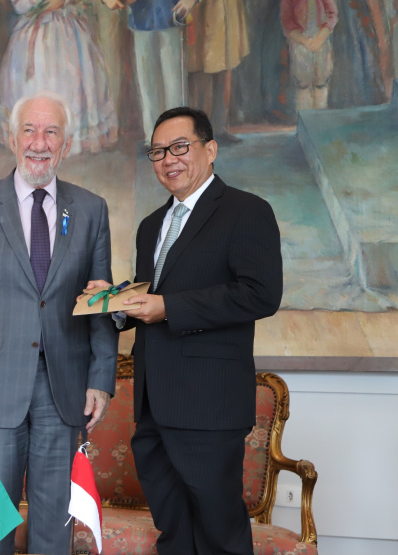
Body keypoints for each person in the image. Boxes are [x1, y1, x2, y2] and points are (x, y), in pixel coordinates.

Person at [0, 91, 118, 555]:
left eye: (51, 132)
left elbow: (99, 301)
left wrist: (101, 380)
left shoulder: (91, 209)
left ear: (66, 144)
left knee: (54, 531)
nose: (39, 143)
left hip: (64, 395)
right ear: (12, 138)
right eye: (30, 130)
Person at [113, 106, 283, 554]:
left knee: (219, 536)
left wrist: (169, 308)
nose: (168, 159)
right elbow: (152, 297)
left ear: (210, 150)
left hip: (209, 406)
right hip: (153, 405)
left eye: (179, 147)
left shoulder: (247, 211)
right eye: (157, 152)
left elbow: (260, 294)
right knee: (174, 533)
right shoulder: (151, 226)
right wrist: (112, 302)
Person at [0, 0, 118, 154]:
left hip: (68, 28)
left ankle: (70, 136)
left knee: (72, 79)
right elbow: (19, 5)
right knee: (38, 79)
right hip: (37, 29)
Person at [103, 0, 192, 141]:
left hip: (169, 15)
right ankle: (153, 137)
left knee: (174, 83)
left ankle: (177, 135)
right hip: (141, 18)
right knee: (147, 84)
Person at [187, 0, 250, 143]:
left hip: (227, 9)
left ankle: (218, 128)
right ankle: (200, 131)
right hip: (202, 10)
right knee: (202, 68)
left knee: (224, 65)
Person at [281, 0, 338, 111]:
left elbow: (332, 15)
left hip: (321, 39)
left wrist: (320, 38)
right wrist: (304, 41)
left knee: (321, 81)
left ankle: (320, 117)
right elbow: (287, 21)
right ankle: (305, 117)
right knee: (303, 83)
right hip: (300, 41)